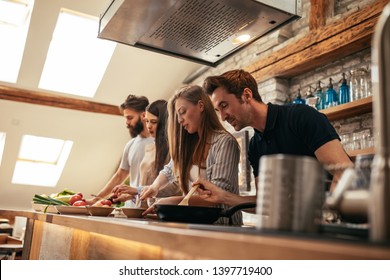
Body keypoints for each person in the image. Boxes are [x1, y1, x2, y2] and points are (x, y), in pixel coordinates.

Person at [197, 69, 352, 206]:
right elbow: (264, 202)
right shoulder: (254, 146)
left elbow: (345, 173)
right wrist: (222, 196)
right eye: (218, 110)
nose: (223, 117)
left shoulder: (301, 116)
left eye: (224, 106)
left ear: (246, 95)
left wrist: (328, 215)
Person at [137, 85, 243, 225]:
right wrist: (154, 187)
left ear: (200, 106)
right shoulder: (189, 145)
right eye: (177, 116)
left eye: (183, 112)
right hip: (196, 224)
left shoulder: (225, 143)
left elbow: (218, 195)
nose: (180, 120)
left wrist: (169, 203)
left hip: (223, 225)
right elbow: (169, 169)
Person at [87, 94, 154, 205]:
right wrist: (97, 199)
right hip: (131, 208)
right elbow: (120, 175)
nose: (127, 122)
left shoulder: (161, 143)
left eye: (130, 118)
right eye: (126, 118)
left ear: (143, 115)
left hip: (151, 207)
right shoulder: (130, 144)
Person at [112, 100, 181, 202]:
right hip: (144, 208)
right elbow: (147, 185)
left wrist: (137, 190)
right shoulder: (151, 147)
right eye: (147, 121)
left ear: (166, 122)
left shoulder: (175, 148)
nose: (148, 126)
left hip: (163, 210)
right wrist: (133, 195)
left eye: (153, 122)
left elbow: (176, 186)